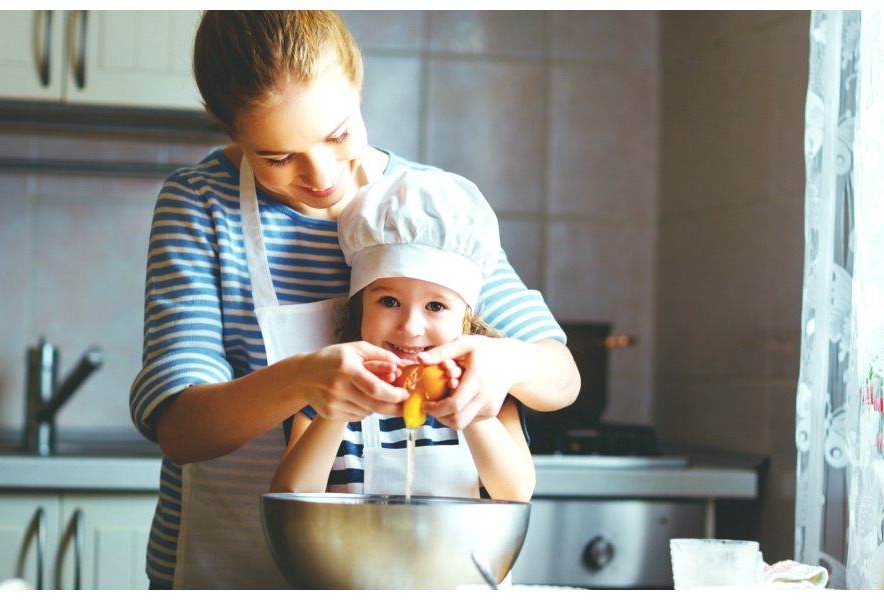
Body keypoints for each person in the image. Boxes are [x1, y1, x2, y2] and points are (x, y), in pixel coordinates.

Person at [129, 10, 579, 589]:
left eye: (338, 133)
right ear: (231, 131)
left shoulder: (428, 207)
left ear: (358, 82)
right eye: (276, 156)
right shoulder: (199, 205)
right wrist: (304, 385)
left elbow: (561, 377)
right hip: (230, 571)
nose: (320, 176)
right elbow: (182, 431)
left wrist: (505, 363)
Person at [269, 170, 535, 501]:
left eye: (436, 306)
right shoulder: (327, 391)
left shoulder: (490, 393)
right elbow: (292, 495)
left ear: (466, 319)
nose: (410, 327)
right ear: (360, 306)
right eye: (389, 301)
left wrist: (470, 411)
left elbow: (515, 493)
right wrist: (338, 412)